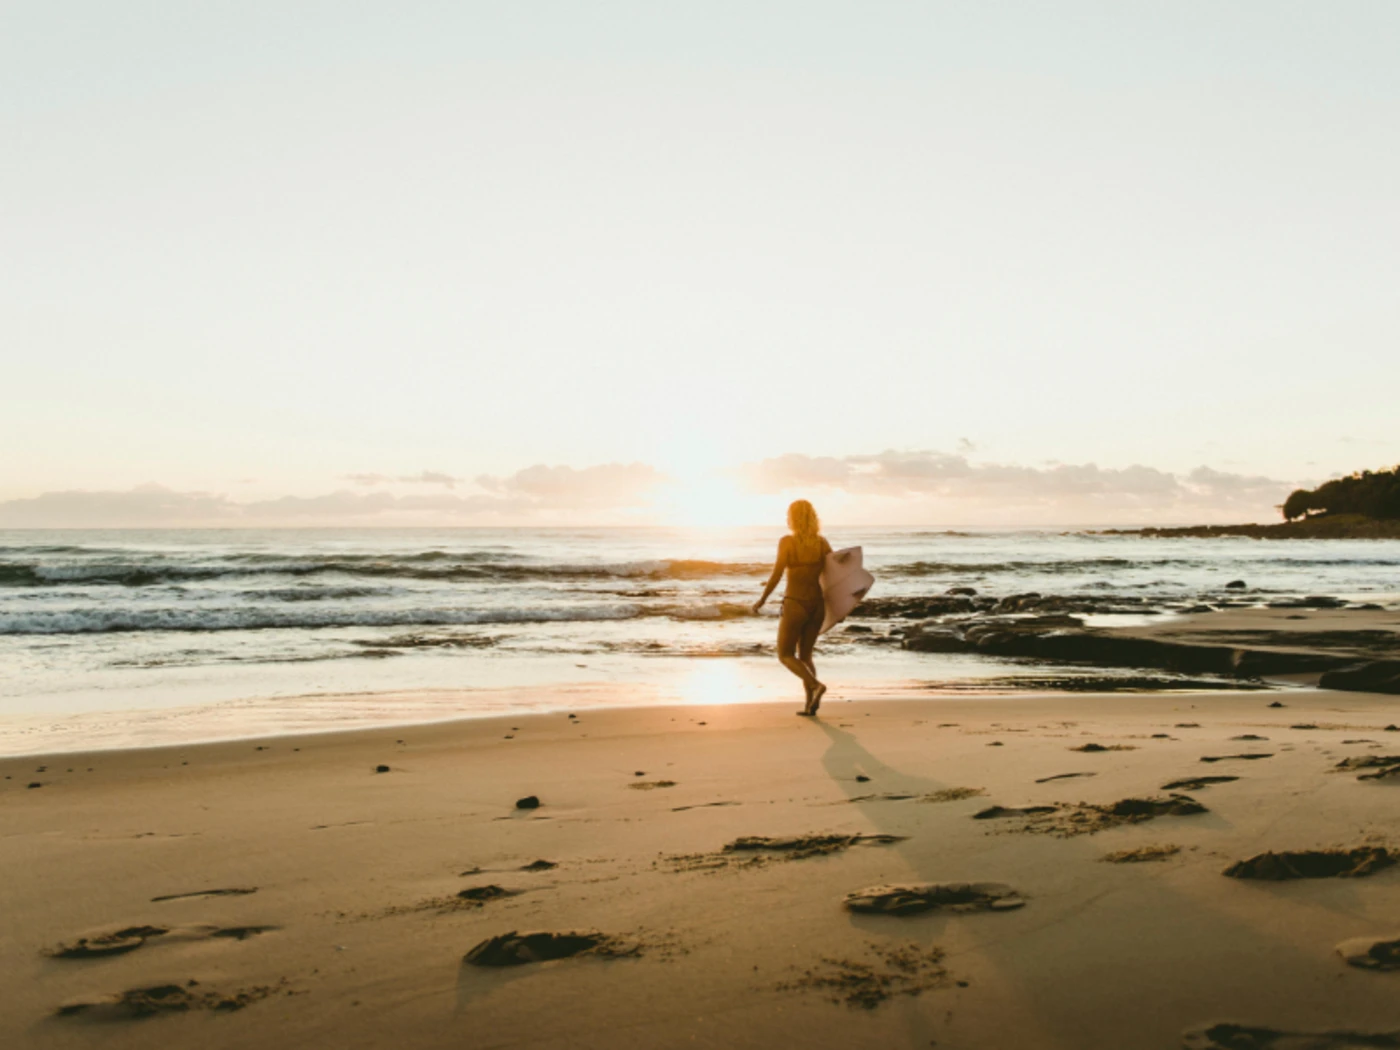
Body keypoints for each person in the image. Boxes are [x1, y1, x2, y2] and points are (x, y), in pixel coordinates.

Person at [752, 499, 832, 716]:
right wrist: (840, 607)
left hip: (795, 602)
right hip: (817, 605)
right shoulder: (822, 543)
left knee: (785, 654)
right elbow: (835, 576)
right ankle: (810, 706)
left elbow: (777, 574)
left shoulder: (787, 542)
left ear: (792, 518)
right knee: (805, 656)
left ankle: (815, 686)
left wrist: (762, 599)